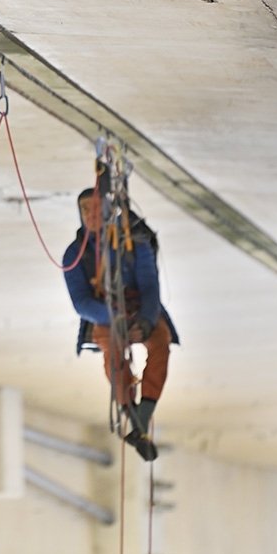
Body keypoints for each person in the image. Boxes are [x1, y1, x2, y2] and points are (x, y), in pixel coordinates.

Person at [62, 188, 179, 461]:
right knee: (111, 350)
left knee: (160, 342)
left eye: (96, 208)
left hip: (140, 307)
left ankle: (143, 415)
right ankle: (128, 412)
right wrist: (112, 320)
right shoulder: (74, 255)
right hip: (104, 312)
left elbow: (150, 287)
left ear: (108, 209)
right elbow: (81, 302)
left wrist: (147, 321)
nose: (91, 215)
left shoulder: (136, 243)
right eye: (84, 210)